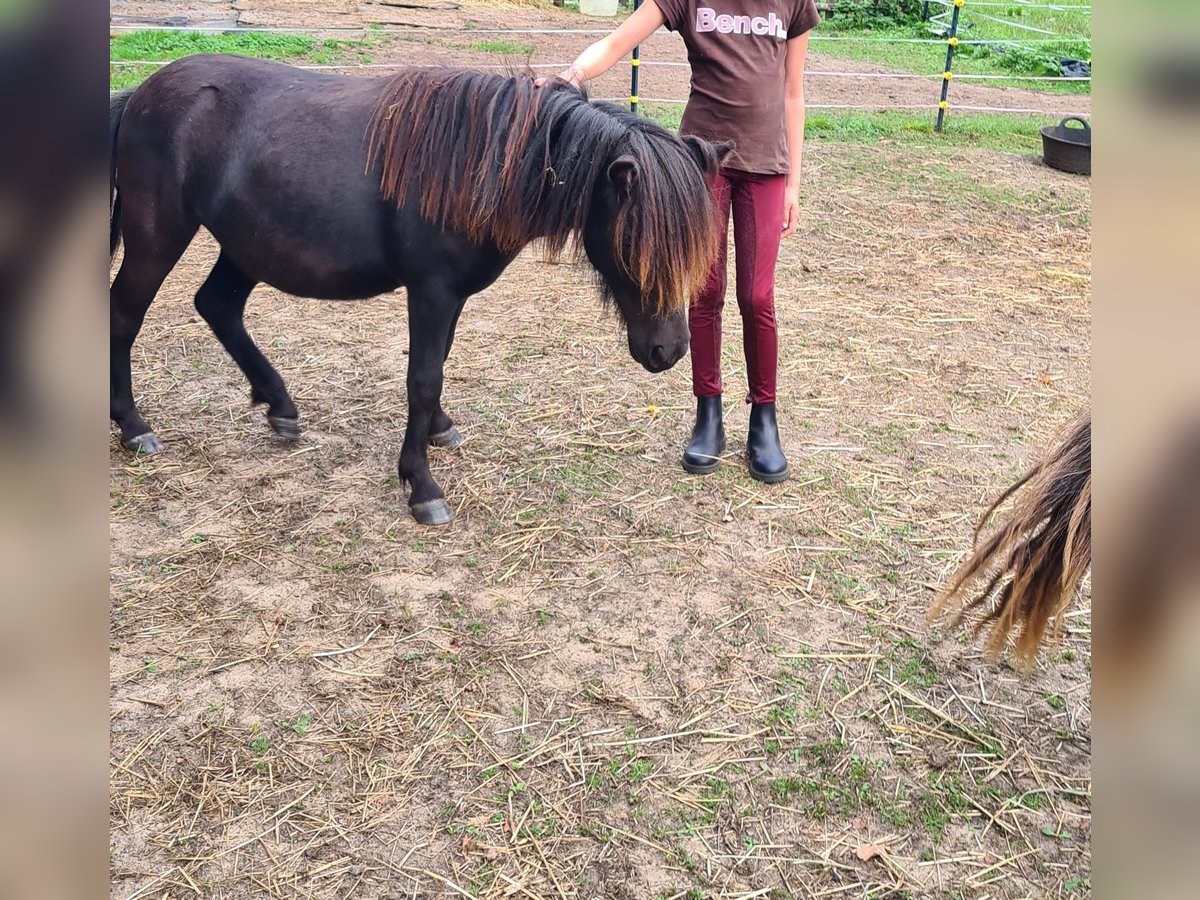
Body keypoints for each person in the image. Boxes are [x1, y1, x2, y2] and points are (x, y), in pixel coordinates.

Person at [542, 1, 819, 482]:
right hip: (697, 166)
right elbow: (617, 41)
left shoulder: (793, 2)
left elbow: (793, 93)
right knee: (704, 292)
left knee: (757, 296)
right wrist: (571, 74)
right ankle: (707, 414)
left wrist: (794, 181)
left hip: (767, 167)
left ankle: (763, 421)